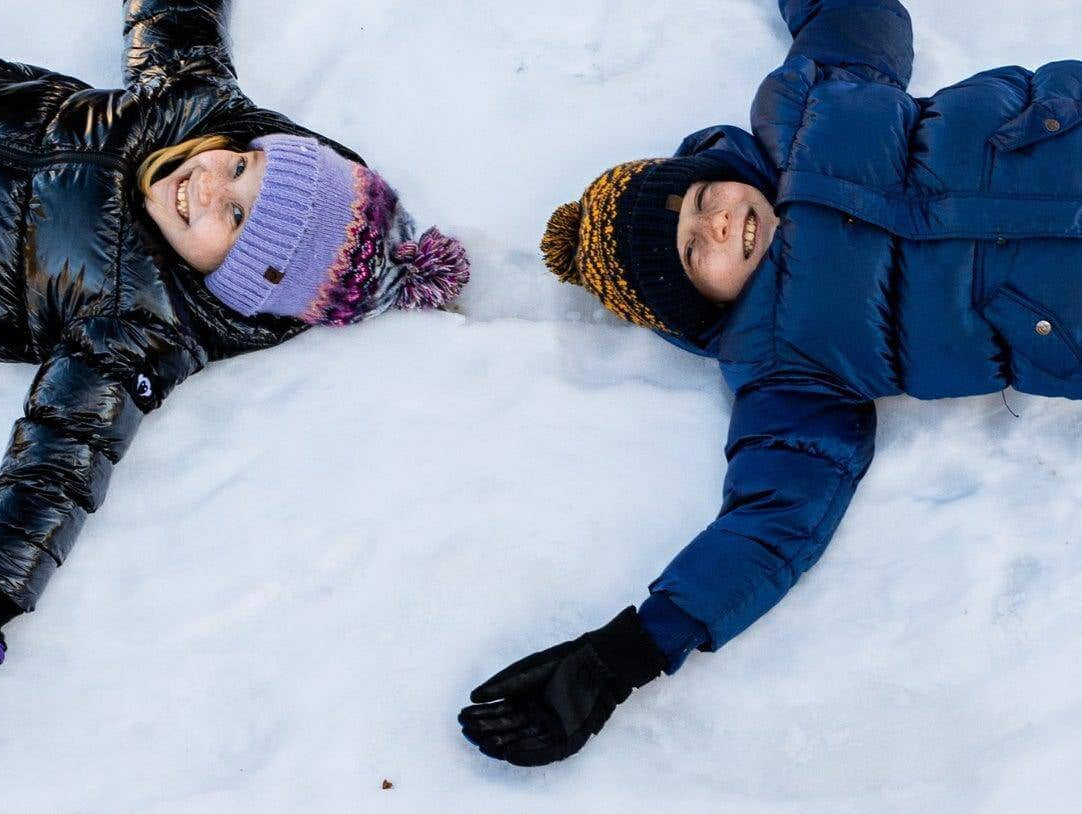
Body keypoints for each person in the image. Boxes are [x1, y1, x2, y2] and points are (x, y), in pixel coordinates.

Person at [459, 0, 1082, 766]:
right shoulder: (783, 366)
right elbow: (776, 517)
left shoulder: (805, 103)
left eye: (700, 200)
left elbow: (858, 15)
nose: (718, 224)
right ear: (695, 302)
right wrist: (625, 653)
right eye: (694, 251)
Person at [0, 1, 469, 663]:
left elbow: (63, 454)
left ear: (247, 284)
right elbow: (177, 14)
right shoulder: (193, 101)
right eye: (245, 167)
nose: (209, 183)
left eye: (239, 216)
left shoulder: (143, 325)